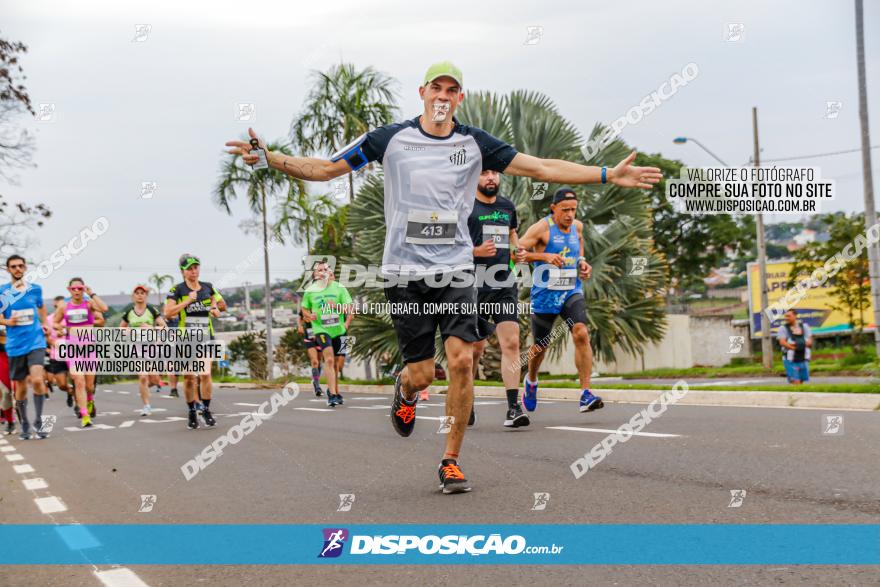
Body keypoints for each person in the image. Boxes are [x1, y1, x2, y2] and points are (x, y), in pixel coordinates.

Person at [226, 61, 661, 494]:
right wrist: (271, 158)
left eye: (452, 90)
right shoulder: (390, 139)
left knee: (460, 361)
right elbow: (325, 170)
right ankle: (405, 387)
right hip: (404, 274)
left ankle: (450, 460)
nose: (443, 96)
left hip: (455, 271)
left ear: (459, 99)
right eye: (437, 87)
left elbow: (541, 168)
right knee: (422, 373)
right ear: (422, 92)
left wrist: (607, 174)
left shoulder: (474, 143)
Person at [518, 188, 603, 414]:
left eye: (573, 210)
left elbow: (580, 243)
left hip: (570, 290)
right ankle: (532, 381)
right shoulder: (541, 229)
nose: (569, 214)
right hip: (545, 295)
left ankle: (586, 393)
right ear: (553, 208)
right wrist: (542, 256)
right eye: (565, 210)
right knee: (540, 346)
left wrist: (583, 262)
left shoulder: (577, 227)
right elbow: (516, 252)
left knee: (581, 332)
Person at [467, 169, 529, 428]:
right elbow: (449, 244)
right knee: (474, 350)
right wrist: (475, 251)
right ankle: (465, 401)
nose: (490, 178)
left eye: (494, 173)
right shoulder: (466, 205)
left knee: (511, 343)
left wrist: (518, 250)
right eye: (484, 173)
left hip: (503, 282)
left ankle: (513, 408)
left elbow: (512, 233)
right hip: (471, 285)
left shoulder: (507, 206)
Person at [164, 254, 226, 429]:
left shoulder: (208, 287)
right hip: (186, 339)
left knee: (205, 374)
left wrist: (214, 306)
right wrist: (188, 301)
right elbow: (168, 313)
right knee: (190, 378)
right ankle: (192, 410)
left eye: (196, 267)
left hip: (206, 336)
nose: (194, 271)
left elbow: (223, 305)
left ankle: (205, 409)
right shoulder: (177, 290)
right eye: (190, 268)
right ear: (183, 271)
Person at [0, 255, 52, 439]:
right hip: (15, 345)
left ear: (25, 268)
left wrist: (45, 323)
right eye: (13, 266)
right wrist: (8, 321)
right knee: (20, 388)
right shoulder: (3, 292)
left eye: (20, 266)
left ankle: (38, 421)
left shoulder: (35, 289)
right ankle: (25, 424)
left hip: (36, 341)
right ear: (8, 270)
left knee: (38, 380)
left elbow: (41, 307)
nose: (17, 269)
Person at [52, 277, 109, 427]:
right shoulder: (64, 307)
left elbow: (104, 310)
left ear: (83, 289)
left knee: (89, 386)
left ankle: (90, 399)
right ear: (69, 290)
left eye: (80, 288)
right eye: (74, 288)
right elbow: (55, 322)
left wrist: (92, 294)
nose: (77, 291)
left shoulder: (89, 304)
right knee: (79, 381)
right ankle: (85, 415)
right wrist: (61, 328)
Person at [300, 261, 352, 407]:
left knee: (337, 364)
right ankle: (333, 394)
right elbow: (304, 309)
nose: (322, 272)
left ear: (329, 272)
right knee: (328, 360)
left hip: (339, 330)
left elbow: (349, 308)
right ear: (315, 275)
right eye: (319, 270)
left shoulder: (339, 288)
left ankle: (334, 390)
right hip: (321, 330)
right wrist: (309, 316)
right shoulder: (310, 291)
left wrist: (336, 307)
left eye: (325, 269)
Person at [119, 285, 167, 416]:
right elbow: (121, 329)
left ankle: (144, 389)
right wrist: (127, 331)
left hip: (151, 347)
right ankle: (146, 405)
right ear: (133, 296)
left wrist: (150, 328)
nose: (140, 295)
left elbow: (164, 327)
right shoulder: (129, 310)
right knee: (143, 377)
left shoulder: (151, 309)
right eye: (137, 293)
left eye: (142, 293)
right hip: (137, 348)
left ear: (146, 295)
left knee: (154, 379)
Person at [45, 296, 73, 409]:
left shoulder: (70, 317)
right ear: (55, 306)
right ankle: (70, 390)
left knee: (77, 380)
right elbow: (46, 337)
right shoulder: (49, 320)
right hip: (56, 355)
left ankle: (79, 407)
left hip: (73, 353)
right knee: (61, 385)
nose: (60, 308)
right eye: (58, 306)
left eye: (63, 306)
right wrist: (52, 342)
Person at [777, 309, 812, 384]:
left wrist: (796, 345)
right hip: (789, 358)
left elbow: (809, 342)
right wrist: (796, 347)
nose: (786, 318)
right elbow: (782, 342)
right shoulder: (783, 328)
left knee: (802, 379)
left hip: (803, 356)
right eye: (785, 316)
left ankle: (799, 394)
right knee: (795, 380)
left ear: (795, 316)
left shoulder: (804, 327)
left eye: (788, 316)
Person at [0, 324, 14, 434]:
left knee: (19, 394)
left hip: (14, 359)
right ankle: (10, 422)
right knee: (5, 394)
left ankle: (23, 416)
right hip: (1, 362)